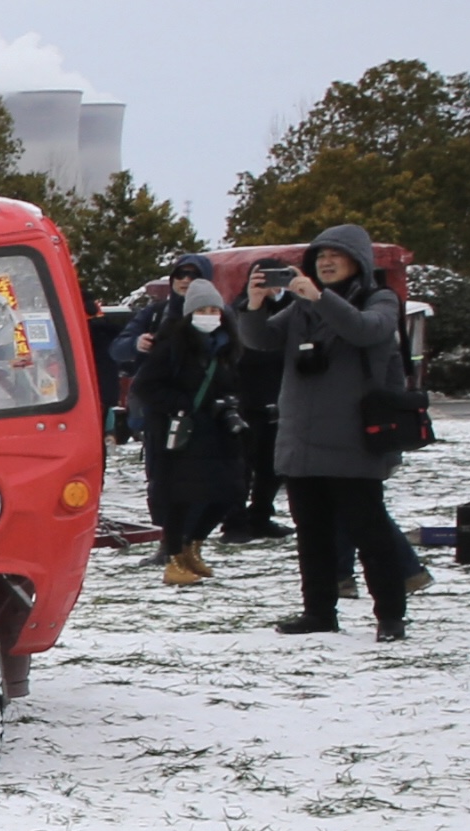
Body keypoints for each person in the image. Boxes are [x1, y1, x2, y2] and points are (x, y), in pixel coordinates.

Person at [234, 225, 421, 638]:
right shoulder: (301, 307)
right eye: (320, 257)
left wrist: (319, 297)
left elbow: (367, 330)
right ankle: (319, 611)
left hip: (355, 437)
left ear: (358, 261)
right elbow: (261, 340)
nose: (326, 263)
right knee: (312, 534)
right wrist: (255, 304)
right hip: (302, 438)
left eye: (335, 255)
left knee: (369, 532)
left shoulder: (379, 297)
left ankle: (390, 615)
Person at [132, 278, 245, 585]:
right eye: (202, 309)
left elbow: (234, 382)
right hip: (182, 433)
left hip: (218, 433)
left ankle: (193, 545)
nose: (209, 315)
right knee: (180, 497)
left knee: (227, 493)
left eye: (214, 309)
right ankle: (174, 557)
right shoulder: (172, 345)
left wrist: (230, 403)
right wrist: (182, 405)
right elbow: (145, 386)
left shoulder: (226, 347)